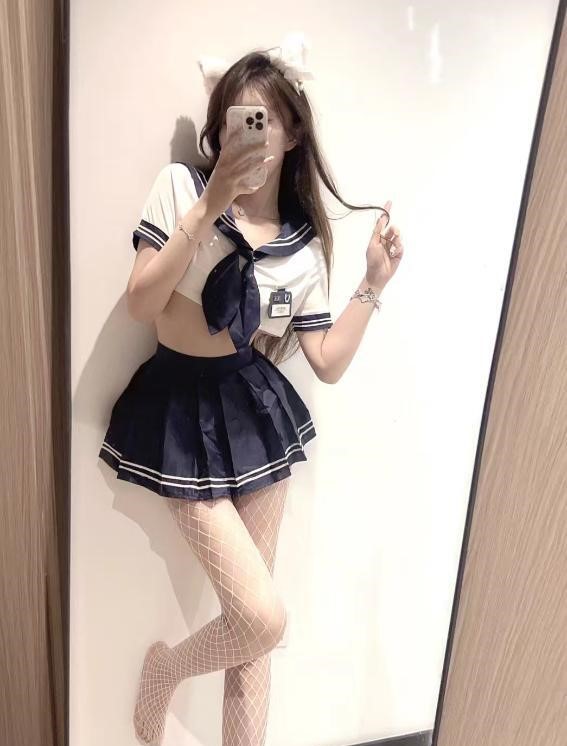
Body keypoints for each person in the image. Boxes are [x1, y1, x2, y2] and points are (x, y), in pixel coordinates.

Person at [98, 43, 403, 746]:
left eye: (265, 122)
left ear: (293, 133)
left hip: (253, 412)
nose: (252, 136)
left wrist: (372, 283)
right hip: (178, 410)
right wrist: (211, 204)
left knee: (254, 636)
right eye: (238, 120)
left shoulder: (301, 244)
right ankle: (165, 672)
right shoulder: (181, 188)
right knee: (262, 619)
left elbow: (325, 361)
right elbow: (142, 302)